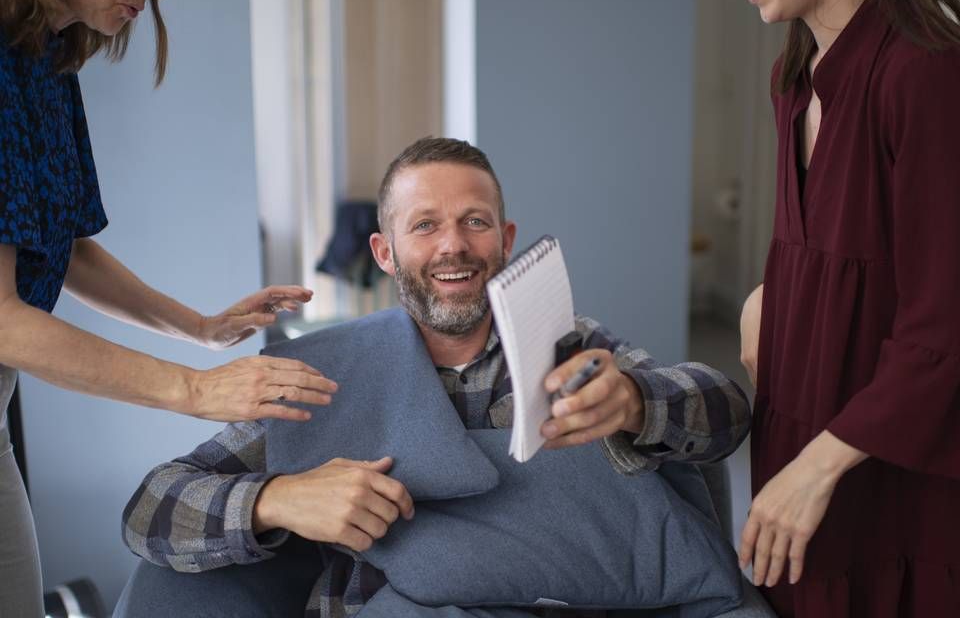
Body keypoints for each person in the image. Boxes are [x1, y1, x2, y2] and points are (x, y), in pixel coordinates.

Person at [120, 137, 752, 617]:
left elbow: (726, 413)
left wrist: (638, 403)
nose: (453, 245)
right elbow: (149, 510)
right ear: (385, 253)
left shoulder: (575, 348)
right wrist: (275, 499)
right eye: (425, 225)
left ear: (505, 240)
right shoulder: (318, 378)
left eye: (474, 222)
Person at [0, 0, 338, 615]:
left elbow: (61, 243)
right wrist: (194, 389)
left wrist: (201, 327)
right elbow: (2, 321)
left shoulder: (43, 56)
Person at [722, 0, 960, 615]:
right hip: (800, 421)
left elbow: (943, 320)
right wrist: (766, 293)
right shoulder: (793, 80)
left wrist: (816, 469)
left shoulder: (925, 74)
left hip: (886, 470)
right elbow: (840, 241)